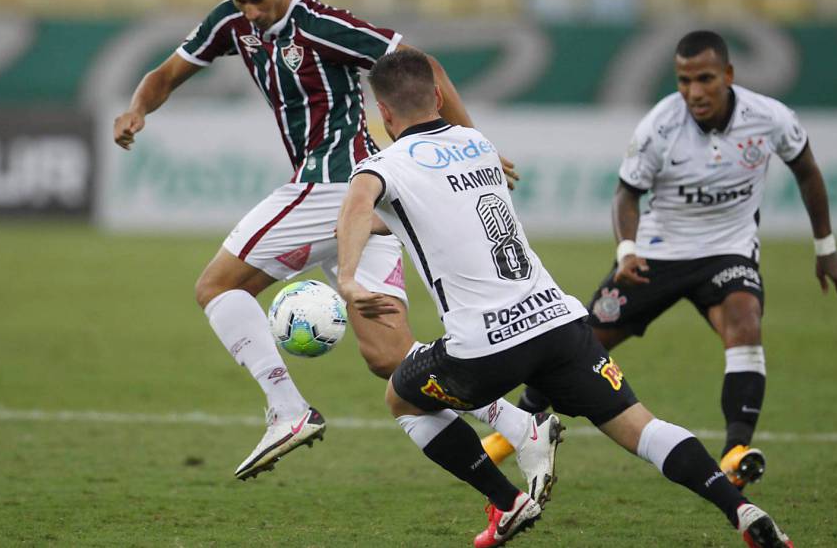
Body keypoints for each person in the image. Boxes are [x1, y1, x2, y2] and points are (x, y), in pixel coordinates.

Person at [112, 0, 541, 482]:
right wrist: (137, 109)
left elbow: (423, 65)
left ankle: (287, 410)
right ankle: (519, 425)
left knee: (216, 287)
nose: (251, 11)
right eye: (240, 0)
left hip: (334, 183)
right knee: (388, 356)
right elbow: (166, 74)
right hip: (364, 198)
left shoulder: (320, 25)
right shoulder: (231, 22)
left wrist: (467, 140)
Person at [336, 48, 794, 547]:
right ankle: (740, 509)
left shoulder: (381, 167)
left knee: (402, 398)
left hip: (485, 347)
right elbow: (426, 215)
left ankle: (507, 500)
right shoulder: (477, 143)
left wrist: (349, 277)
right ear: (439, 98)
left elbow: (358, 205)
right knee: (642, 428)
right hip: (558, 323)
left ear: (383, 113)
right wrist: (377, 228)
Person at [496, 30, 837, 490]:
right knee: (581, 341)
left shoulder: (770, 118)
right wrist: (627, 251)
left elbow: (807, 171)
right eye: (684, 80)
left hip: (728, 251)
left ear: (728, 74)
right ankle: (513, 431)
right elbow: (626, 195)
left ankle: (736, 452)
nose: (694, 92)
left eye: (705, 79)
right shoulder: (660, 125)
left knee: (745, 321)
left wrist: (826, 247)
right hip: (657, 255)